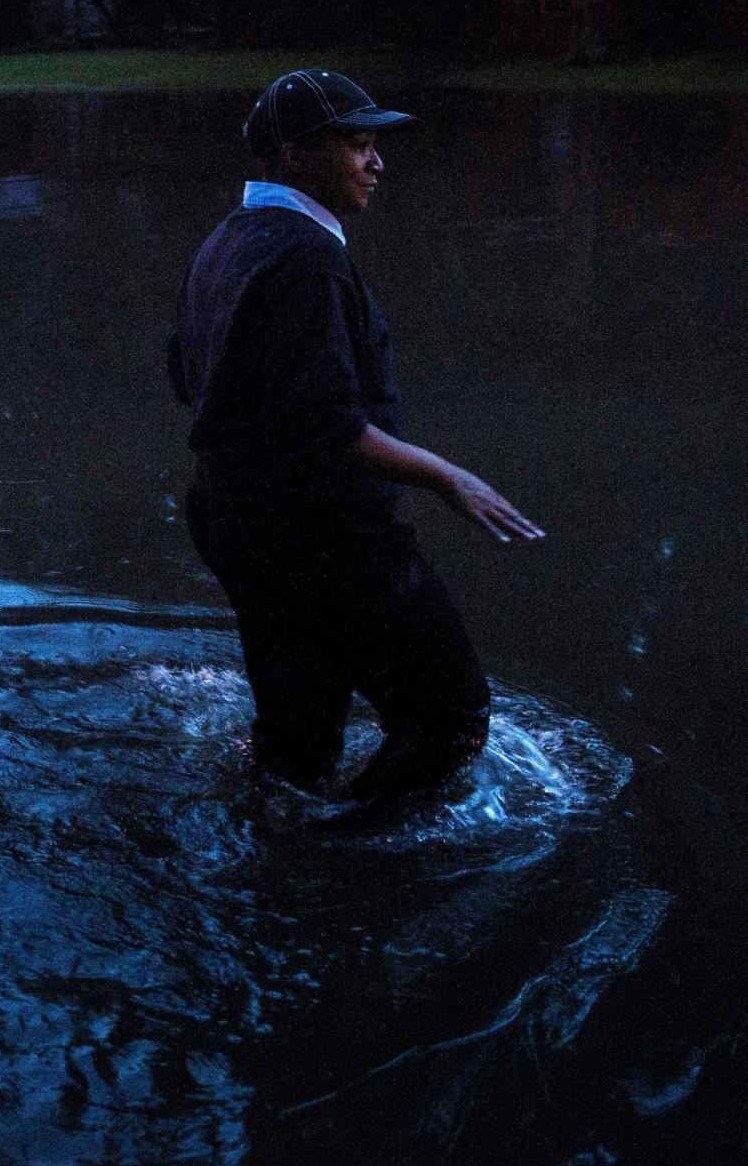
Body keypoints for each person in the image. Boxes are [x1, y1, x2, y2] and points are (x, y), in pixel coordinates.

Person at [169, 69, 545, 805]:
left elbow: (185, 376)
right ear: (296, 157)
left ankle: (281, 865)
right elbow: (329, 425)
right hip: (327, 540)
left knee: (298, 742)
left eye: (376, 145)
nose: (378, 163)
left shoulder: (226, 239)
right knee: (451, 717)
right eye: (358, 145)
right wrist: (450, 478)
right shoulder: (308, 257)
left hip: (237, 523)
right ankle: (354, 862)